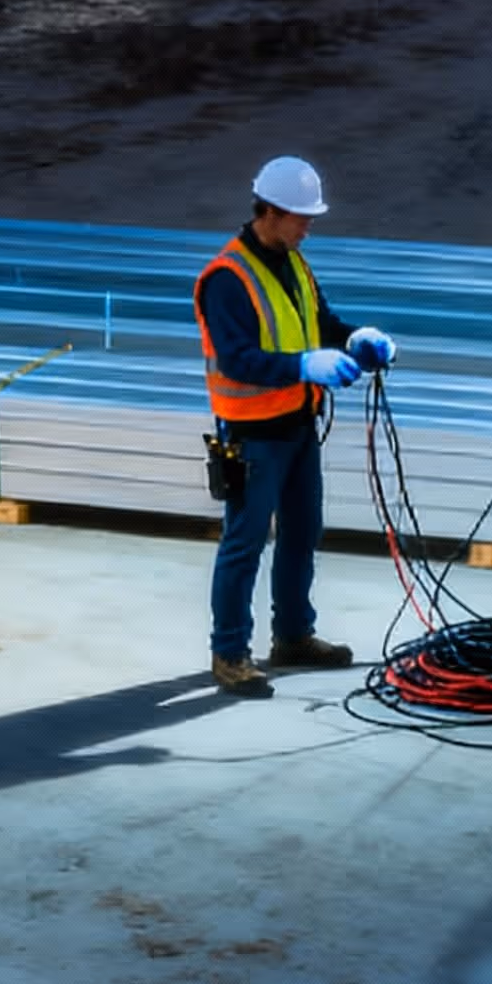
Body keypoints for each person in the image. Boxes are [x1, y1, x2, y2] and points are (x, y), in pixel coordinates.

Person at [194, 154, 396, 697]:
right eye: (302, 217)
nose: (309, 226)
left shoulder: (294, 262)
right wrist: (304, 366)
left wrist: (355, 339)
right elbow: (238, 359)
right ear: (273, 211)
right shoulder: (227, 278)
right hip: (254, 433)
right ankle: (230, 651)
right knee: (245, 541)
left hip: (298, 426)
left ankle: (292, 636)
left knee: (303, 533)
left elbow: (320, 323)